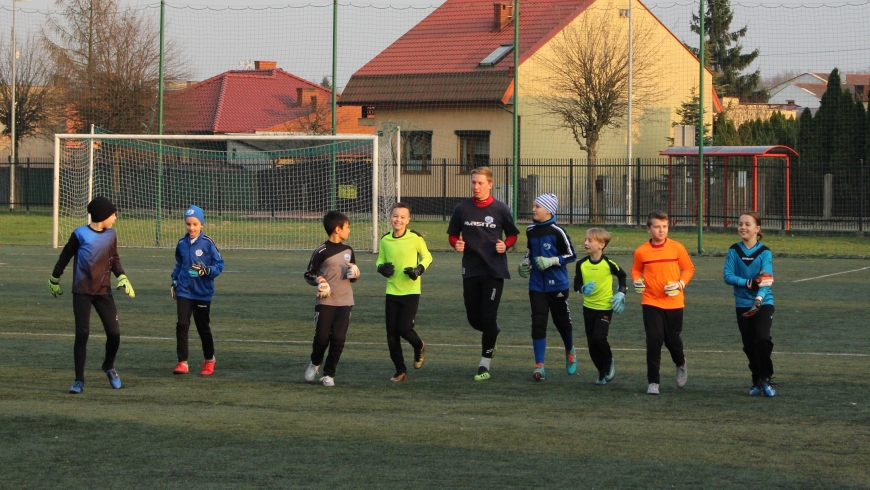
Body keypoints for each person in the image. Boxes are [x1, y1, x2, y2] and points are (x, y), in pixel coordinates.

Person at [47, 196, 135, 394]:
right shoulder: (79, 234)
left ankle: (109, 366)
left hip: (104, 291)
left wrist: (122, 276)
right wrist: (55, 278)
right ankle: (79, 380)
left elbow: (114, 258)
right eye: (113, 214)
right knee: (82, 334)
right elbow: (65, 256)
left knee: (114, 334)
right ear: (102, 216)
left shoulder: (111, 235)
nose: (115, 218)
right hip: (82, 291)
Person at [447, 166, 520, 381]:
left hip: (494, 270)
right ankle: (492, 332)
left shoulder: (501, 209)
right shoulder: (462, 208)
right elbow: (453, 235)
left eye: (480, 183)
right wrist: (456, 244)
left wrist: (505, 246)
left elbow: (513, 236)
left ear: (490, 184)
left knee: (489, 315)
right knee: (474, 318)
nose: (476, 186)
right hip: (470, 269)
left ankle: (484, 364)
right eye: (473, 182)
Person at [631, 210, 695, 395]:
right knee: (654, 339)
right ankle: (653, 382)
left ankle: (680, 363)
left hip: (674, 302)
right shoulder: (641, 251)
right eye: (657, 227)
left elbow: (688, 269)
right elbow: (636, 270)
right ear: (648, 229)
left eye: (665, 227)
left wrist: (680, 284)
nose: (661, 230)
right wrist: (637, 281)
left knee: (672, 340)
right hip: (651, 300)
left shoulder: (677, 248)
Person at [517, 193, 578, 381]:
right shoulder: (530, 230)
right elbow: (530, 250)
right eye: (534, 206)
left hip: (557, 285)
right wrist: (525, 263)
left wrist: (551, 260)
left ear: (549, 210)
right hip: (536, 285)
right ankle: (539, 365)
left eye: (537, 206)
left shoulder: (558, 232)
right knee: (538, 323)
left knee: (562, 323)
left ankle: (570, 350)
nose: (533, 209)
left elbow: (571, 255)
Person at [376, 202, 433, 382]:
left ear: (408, 220)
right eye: (395, 216)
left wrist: (418, 271)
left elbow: (427, 257)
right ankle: (400, 371)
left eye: (402, 217)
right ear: (390, 217)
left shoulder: (415, 238)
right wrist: (381, 268)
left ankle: (419, 345)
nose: (398, 220)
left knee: (404, 328)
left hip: (411, 291)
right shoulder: (385, 240)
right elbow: (379, 260)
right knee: (392, 335)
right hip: (392, 291)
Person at [723, 211, 776, 397]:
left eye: (747, 224)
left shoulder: (765, 252)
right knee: (748, 344)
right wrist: (749, 283)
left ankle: (766, 378)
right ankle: (756, 379)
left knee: (762, 339)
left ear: (757, 229)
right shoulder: (734, 250)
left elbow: (766, 279)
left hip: (763, 302)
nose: (743, 227)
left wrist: (759, 299)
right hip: (742, 303)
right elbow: (727, 276)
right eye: (740, 224)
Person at [303, 211, 359, 387]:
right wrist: (319, 281)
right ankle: (315, 362)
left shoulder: (348, 250)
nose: (349, 230)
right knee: (321, 338)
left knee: (339, 338)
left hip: (345, 302)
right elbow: (309, 274)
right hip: (326, 302)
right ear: (337, 229)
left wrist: (355, 274)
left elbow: (352, 276)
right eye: (347, 227)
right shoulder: (321, 251)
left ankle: (329, 374)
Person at [170, 205, 225, 376]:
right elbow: (179, 264)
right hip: (184, 291)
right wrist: (174, 280)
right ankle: (182, 362)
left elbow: (219, 265)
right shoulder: (181, 243)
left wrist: (206, 271)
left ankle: (209, 359)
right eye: (188, 224)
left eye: (195, 224)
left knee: (203, 327)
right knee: (182, 325)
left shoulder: (207, 243)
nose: (191, 228)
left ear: (202, 224)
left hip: (202, 292)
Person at [574, 227, 627, 385]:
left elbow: (622, 275)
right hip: (588, 308)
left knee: (599, 337)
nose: (585, 243)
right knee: (591, 345)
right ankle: (602, 372)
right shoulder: (582, 264)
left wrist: (621, 293)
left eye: (590, 240)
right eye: (585, 239)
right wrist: (582, 289)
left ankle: (609, 361)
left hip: (605, 308)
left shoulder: (608, 263)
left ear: (601, 244)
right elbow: (577, 283)